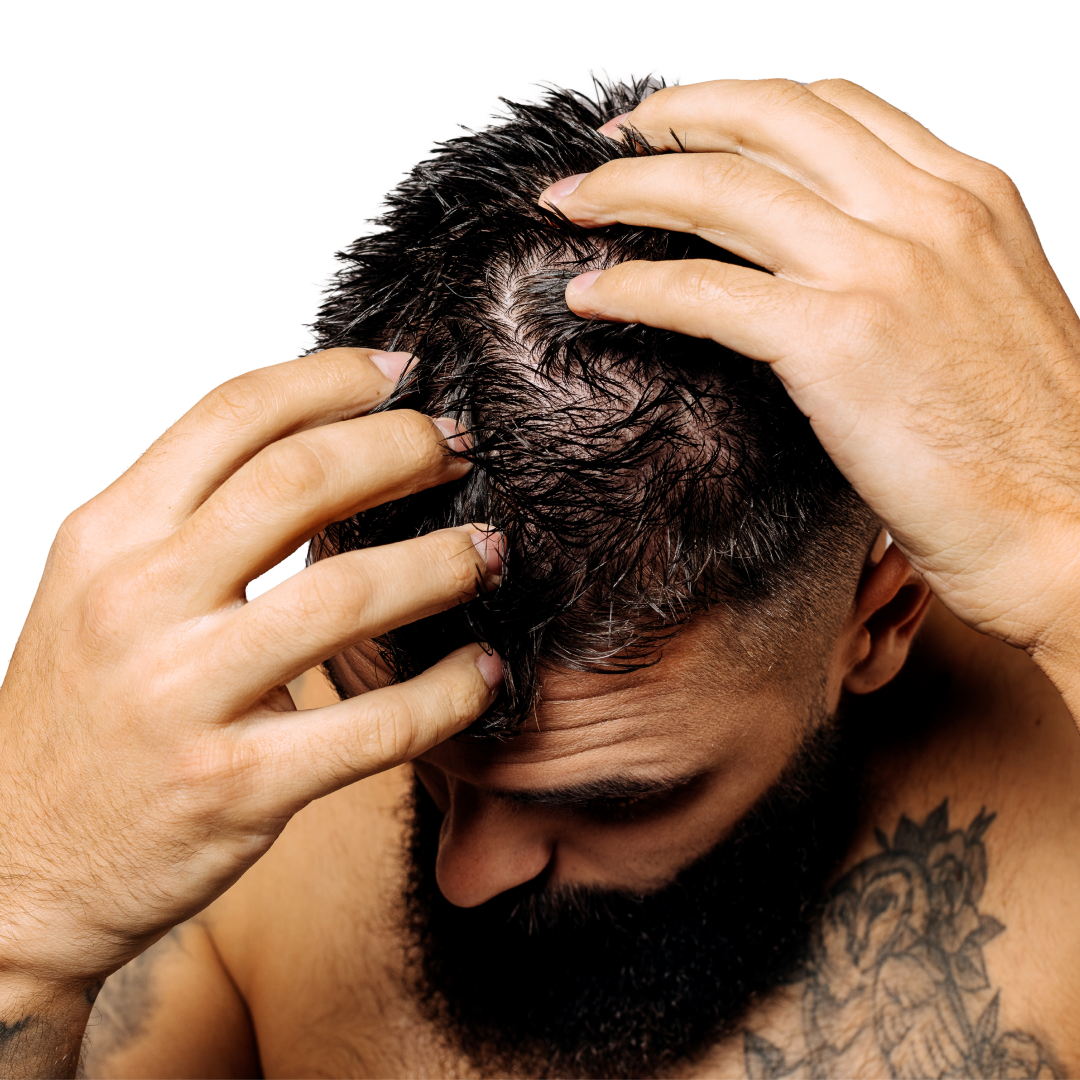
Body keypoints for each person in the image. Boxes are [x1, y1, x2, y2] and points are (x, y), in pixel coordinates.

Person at [1, 66, 1077, 1080]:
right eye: (421, 756)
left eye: (615, 804)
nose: (465, 876)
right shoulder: (211, 775)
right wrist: (25, 918)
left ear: (880, 615)